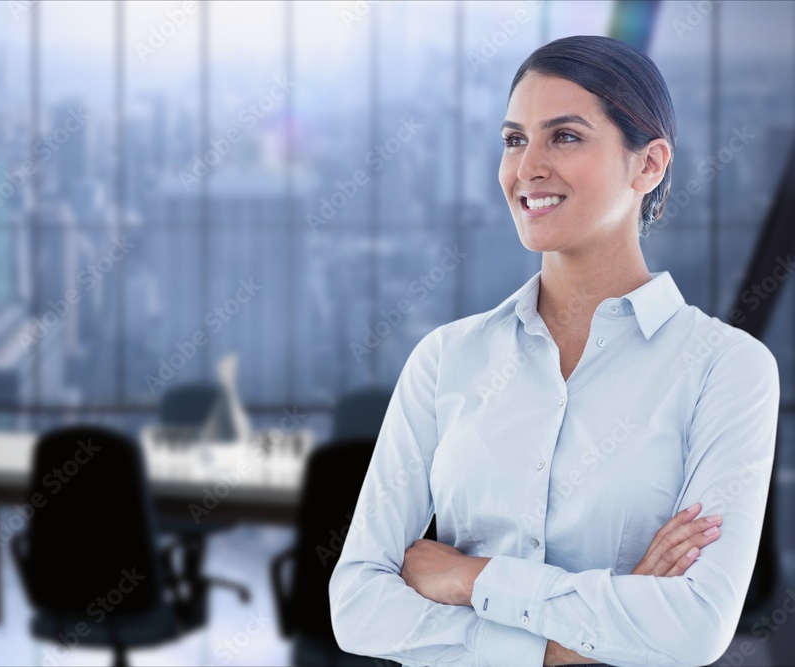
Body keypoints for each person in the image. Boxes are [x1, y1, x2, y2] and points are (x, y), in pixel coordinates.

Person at [329, 34, 780, 667]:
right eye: (515, 140)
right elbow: (355, 605)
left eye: (564, 137)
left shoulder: (724, 368)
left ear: (648, 165)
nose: (527, 167)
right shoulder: (445, 359)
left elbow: (695, 626)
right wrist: (578, 643)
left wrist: (470, 579)